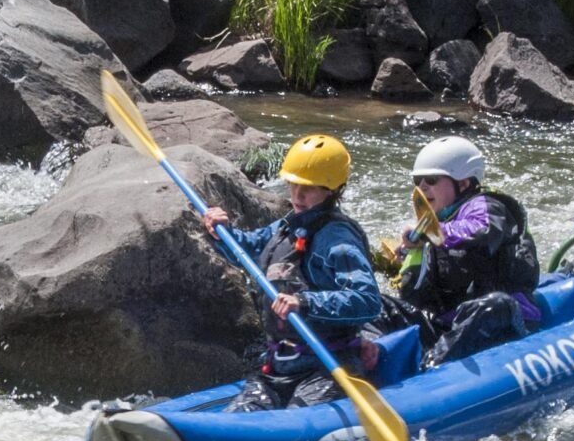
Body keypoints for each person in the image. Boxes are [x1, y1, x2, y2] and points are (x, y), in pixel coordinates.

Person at [201, 133, 384, 411]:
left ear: (331, 190)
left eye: (308, 188)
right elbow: (247, 250)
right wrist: (221, 232)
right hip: (278, 366)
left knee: (295, 418)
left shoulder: (338, 239)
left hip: (329, 367)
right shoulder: (287, 226)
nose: (297, 195)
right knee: (238, 415)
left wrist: (306, 302)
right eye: (293, 183)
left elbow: (368, 301)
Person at [384, 136, 542, 367]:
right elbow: (415, 297)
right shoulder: (435, 226)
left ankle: (432, 371)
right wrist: (411, 260)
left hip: (499, 318)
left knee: (493, 304)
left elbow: (483, 228)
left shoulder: (485, 206)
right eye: (418, 181)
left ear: (464, 183)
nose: (422, 188)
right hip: (449, 325)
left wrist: (430, 234)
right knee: (383, 306)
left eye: (432, 179)